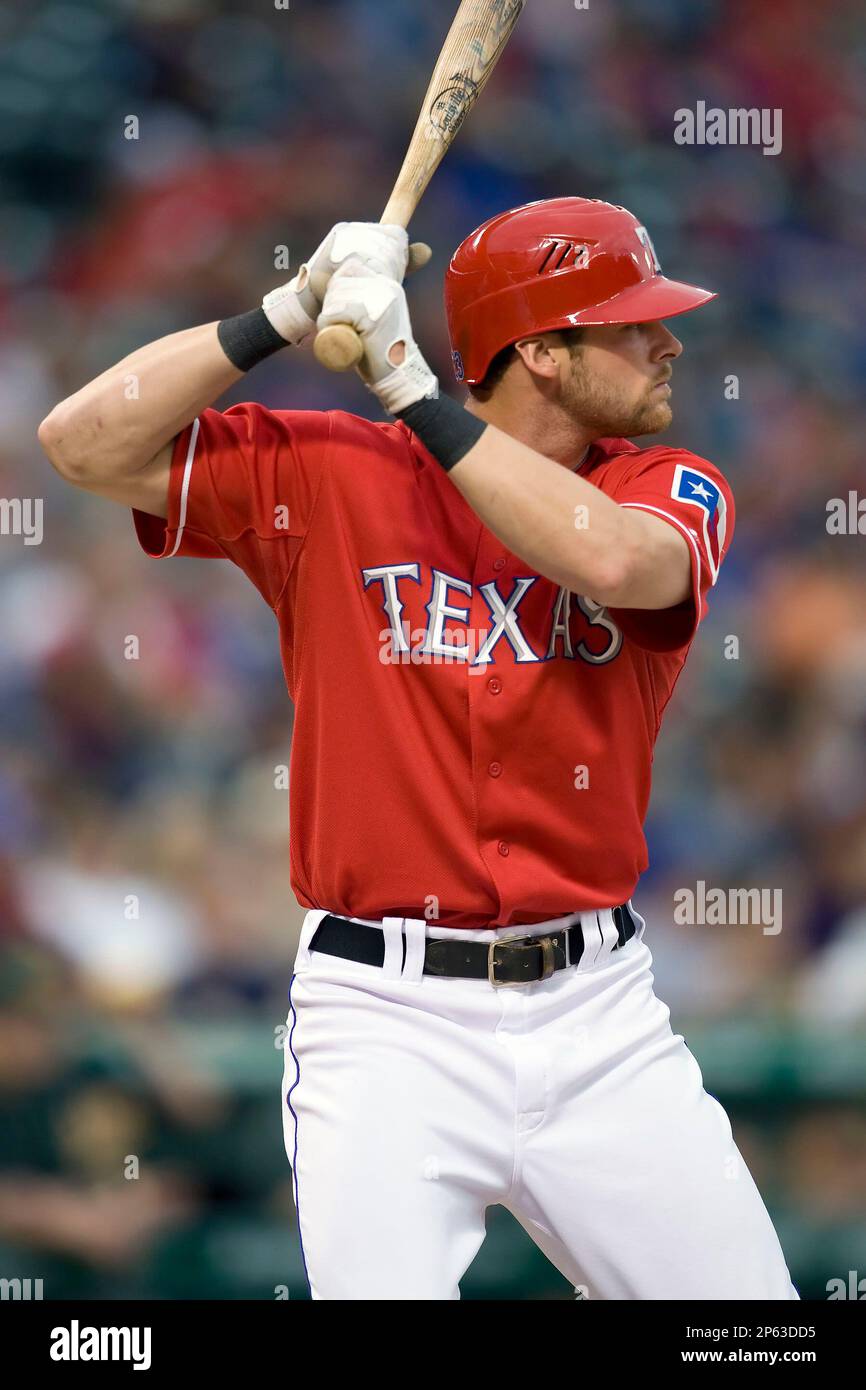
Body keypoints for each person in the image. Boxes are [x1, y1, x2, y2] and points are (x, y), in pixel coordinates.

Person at [39, 198, 798, 1301]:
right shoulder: (333, 471)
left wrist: (415, 394)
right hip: (385, 1020)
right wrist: (280, 311)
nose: (667, 340)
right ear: (540, 351)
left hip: (597, 1016)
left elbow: (626, 569)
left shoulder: (662, 484)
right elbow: (79, 442)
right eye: (632, 322)